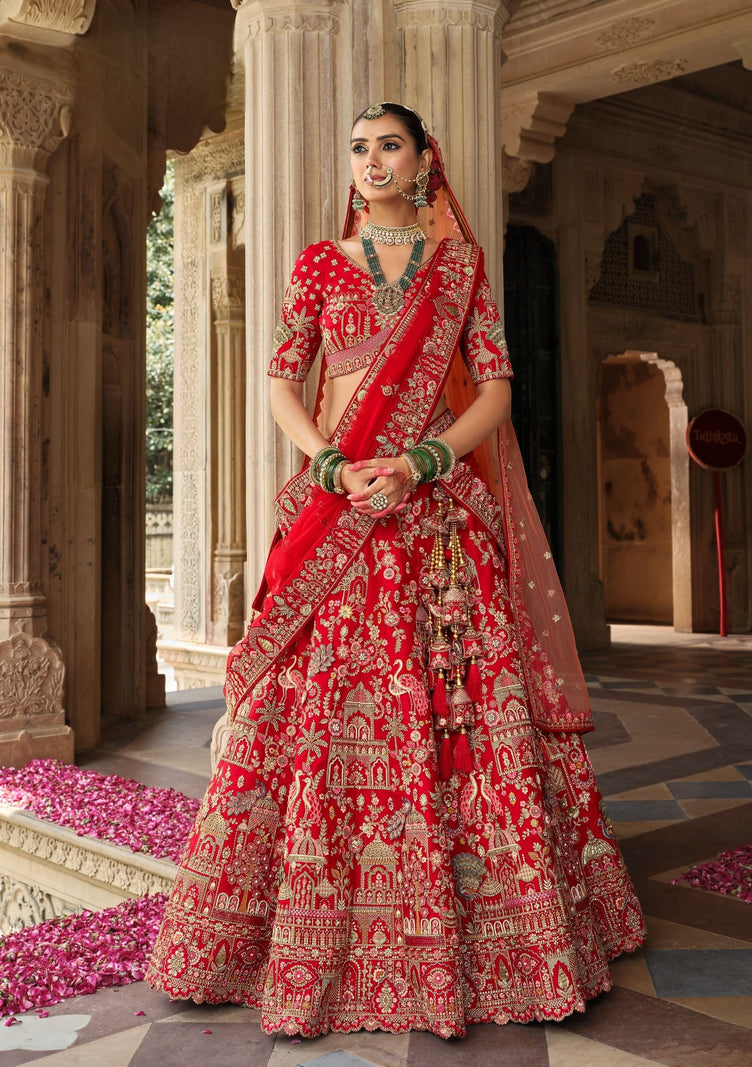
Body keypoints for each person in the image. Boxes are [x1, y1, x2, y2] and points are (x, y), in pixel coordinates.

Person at [146, 102, 645, 1039]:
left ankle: (497, 934)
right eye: (360, 148)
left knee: (462, 702)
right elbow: (283, 381)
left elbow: (495, 388)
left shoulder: (458, 269)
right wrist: (332, 464)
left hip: (435, 519)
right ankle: (279, 938)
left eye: (389, 146)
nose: (371, 161)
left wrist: (425, 461)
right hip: (340, 505)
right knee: (314, 705)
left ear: (424, 161)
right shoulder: (319, 265)